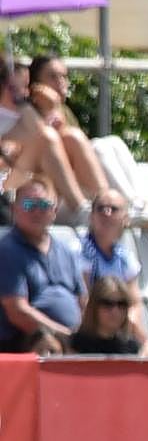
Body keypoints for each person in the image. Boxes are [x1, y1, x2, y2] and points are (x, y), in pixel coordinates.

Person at [0, 176, 86, 352]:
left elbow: (83, 300)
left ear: (54, 211)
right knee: (48, 345)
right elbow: (18, 312)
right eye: (29, 205)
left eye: (44, 206)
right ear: (14, 209)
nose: (37, 211)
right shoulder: (7, 250)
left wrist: (85, 336)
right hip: (26, 341)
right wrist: (64, 335)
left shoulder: (65, 250)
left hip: (70, 339)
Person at [0, 57, 91, 215]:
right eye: (16, 88)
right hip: (11, 201)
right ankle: (82, 210)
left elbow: (41, 135)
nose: (24, 93)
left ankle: (96, 205)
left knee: (67, 137)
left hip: (33, 197)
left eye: (25, 86)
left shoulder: (24, 118)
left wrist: (53, 108)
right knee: (47, 138)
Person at [27, 55, 110, 205]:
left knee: (109, 144)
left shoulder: (64, 110)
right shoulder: (27, 113)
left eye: (64, 76)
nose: (61, 82)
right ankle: (107, 205)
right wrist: (50, 110)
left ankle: (129, 203)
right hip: (42, 201)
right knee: (75, 137)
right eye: (52, 76)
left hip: (79, 194)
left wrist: (55, 108)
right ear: (35, 84)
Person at [80, 189, 148, 344]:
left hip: (119, 330)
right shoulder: (79, 250)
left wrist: (137, 334)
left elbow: (134, 303)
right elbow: (84, 301)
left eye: (114, 209)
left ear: (126, 219)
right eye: (101, 208)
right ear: (92, 216)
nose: (107, 213)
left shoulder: (125, 257)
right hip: (89, 332)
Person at [68, 275, 143, 355]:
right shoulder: (75, 344)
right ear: (94, 307)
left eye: (121, 304)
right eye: (107, 303)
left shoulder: (132, 348)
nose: (115, 311)